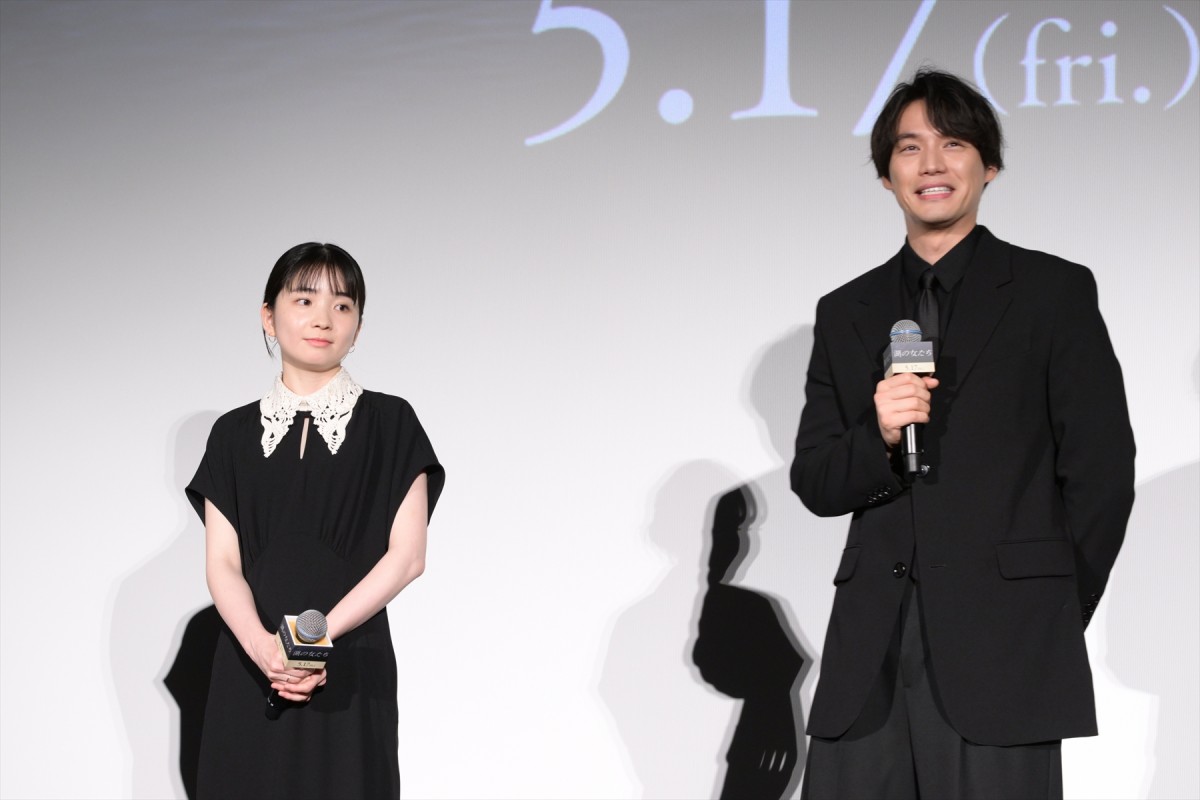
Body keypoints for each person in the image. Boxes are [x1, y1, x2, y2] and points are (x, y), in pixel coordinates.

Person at [790, 69, 1134, 798]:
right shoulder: (847, 310)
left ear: (989, 165)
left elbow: (1102, 470)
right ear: (886, 174)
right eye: (910, 147)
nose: (932, 164)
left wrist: (1049, 613)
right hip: (871, 653)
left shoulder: (1052, 291)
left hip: (1006, 647)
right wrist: (879, 436)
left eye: (953, 144)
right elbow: (816, 479)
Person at [186, 242, 445, 799]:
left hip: (350, 664)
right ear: (269, 316)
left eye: (343, 305)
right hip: (251, 666)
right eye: (304, 300)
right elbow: (222, 564)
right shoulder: (231, 435)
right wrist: (266, 650)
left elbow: (408, 558)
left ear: (358, 326)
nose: (324, 318)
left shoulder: (392, 422)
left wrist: (309, 642)